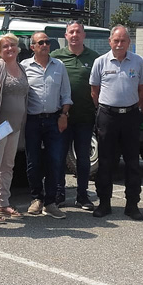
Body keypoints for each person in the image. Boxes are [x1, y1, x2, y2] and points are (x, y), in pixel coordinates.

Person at [89, 25, 143, 219]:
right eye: (116, 40)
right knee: (106, 162)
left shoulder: (138, 62)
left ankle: (132, 205)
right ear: (110, 41)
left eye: (123, 40)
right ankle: (104, 203)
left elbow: (142, 90)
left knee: (132, 162)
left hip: (130, 116)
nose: (119, 44)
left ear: (129, 43)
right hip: (107, 116)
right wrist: (104, 110)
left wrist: (133, 108)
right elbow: (94, 91)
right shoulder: (100, 62)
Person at [21, 31, 72, 219]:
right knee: (33, 162)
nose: (45, 45)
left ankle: (51, 203)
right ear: (32, 46)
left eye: (47, 42)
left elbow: (66, 94)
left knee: (55, 161)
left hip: (54, 119)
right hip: (32, 120)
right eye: (40, 42)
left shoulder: (59, 66)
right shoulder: (23, 67)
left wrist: (64, 114)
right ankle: (37, 199)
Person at [50, 20, 99, 211]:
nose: (74, 35)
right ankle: (59, 194)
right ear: (66, 35)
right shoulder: (56, 56)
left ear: (84, 35)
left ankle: (82, 195)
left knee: (84, 159)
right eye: (71, 32)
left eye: (78, 32)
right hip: (61, 117)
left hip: (85, 117)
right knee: (59, 157)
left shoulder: (94, 58)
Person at [0, 34, 29, 222]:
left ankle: (3, 202)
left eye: (12, 45)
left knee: (8, 166)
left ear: (18, 48)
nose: (9, 49)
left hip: (15, 126)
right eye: (5, 47)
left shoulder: (21, 67)